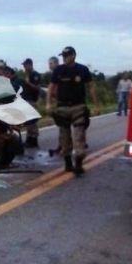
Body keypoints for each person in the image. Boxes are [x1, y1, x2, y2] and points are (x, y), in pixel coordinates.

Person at [46, 46, 100, 175]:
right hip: (62, 108)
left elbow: (91, 87)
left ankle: (79, 163)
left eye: (67, 55)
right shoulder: (58, 70)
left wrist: (97, 105)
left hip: (78, 107)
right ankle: (68, 163)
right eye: (63, 56)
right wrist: (48, 104)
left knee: (79, 137)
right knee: (64, 138)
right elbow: (51, 87)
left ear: (73, 56)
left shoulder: (82, 70)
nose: (64, 58)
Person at [21, 58, 42, 148]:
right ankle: (29, 139)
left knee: (32, 122)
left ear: (30, 65)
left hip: (32, 100)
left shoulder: (35, 75)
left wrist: (28, 83)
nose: (24, 68)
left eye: (25, 65)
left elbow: (37, 87)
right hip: (26, 100)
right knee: (28, 122)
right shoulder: (28, 75)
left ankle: (34, 140)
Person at [47, 56, 62, 157]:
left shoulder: (59, 73)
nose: (49, 65)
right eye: (49, 63)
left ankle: (63, 146)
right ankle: (62, 145)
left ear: (56, 63)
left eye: (51, 63)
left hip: (62, 101)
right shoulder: (55, 74)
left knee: (63, 126)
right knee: (62, 126)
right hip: (58, 101)